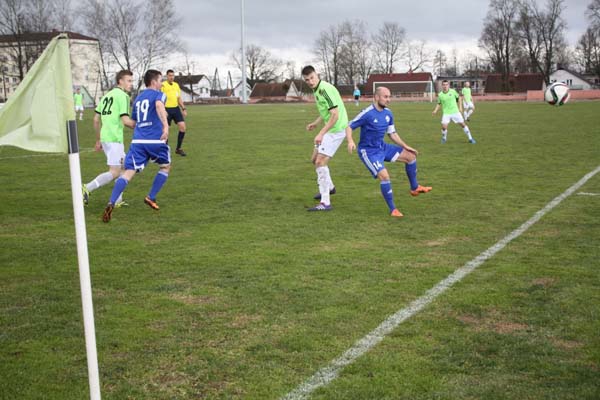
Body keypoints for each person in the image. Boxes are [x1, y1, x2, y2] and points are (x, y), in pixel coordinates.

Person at [346, 87, 432, 217]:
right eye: (385, 97)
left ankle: (414, 188)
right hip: (369, 152)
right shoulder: (367, 113)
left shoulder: (388, 113)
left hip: (382, 147)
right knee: (385, 176)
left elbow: (392, 133)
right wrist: (350, 141)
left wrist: (405, 146)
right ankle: (393, 210)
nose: (389, 99)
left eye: (389, 96)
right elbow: (349, 126)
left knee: (411, 156)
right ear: (376, 97)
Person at [103, 69, 171, 223]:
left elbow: (131, 123)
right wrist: (165, 127)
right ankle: (150, 197)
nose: (162, 83)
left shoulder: (138, 99)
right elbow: (160, 106)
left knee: (128, 173)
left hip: (138, 142)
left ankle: (111, 202)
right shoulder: (159, 95)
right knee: (165, 167)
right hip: (155, 140)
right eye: (161, 80)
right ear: (154, 82)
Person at [82, 70, 135, 207]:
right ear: (120, 81)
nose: (131, 84)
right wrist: (144, 127)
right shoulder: (123, 96)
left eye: (132, 81)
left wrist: (99, 139)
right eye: (129, 81)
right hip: (114, 138)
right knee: (115, 171)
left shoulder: (106, 96)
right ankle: (87, 188)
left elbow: (95, 119)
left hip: (106, 137)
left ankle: (117, 200)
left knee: (126, 166)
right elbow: (126, 121)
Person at [302, 65, 349, 211]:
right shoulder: (317, 90)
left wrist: (321, 133)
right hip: (330, 129)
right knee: (314, 159)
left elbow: (334, 115)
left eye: (312, 78)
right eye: (307, 80)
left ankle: (325, 202)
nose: (310, 81)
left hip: (336, 130)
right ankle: (330, 187)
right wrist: (316, 124)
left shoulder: (324, 89)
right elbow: (326, 112)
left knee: (320, 162)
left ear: (317, 75)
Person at [432, 80, 476, 144]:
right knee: (444, 127)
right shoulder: (440, 95)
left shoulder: (452, 91)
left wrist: (460, 107)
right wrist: (435, 111)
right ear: (442, 86)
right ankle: (444, 138)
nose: (445, 86)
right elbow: (439, 103)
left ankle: (470, 138)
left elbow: (459, 99)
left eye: (446, 84)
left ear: (448, 85)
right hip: (446, 113)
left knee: (463, 125)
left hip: (455, 112)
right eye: (444, 85)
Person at [161, 69, 188, 156]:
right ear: (166, 76)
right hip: (166, 109)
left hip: (176, 109)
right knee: (166, 130)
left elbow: (179, 98)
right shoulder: (163, 85)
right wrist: (162, 110)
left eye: (173, 75)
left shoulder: (176, 85)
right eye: (170, 75)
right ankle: (165, 150)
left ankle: (178, 149)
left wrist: (183, 108)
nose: (171, 77)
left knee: (183, 127)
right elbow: (159, 99)